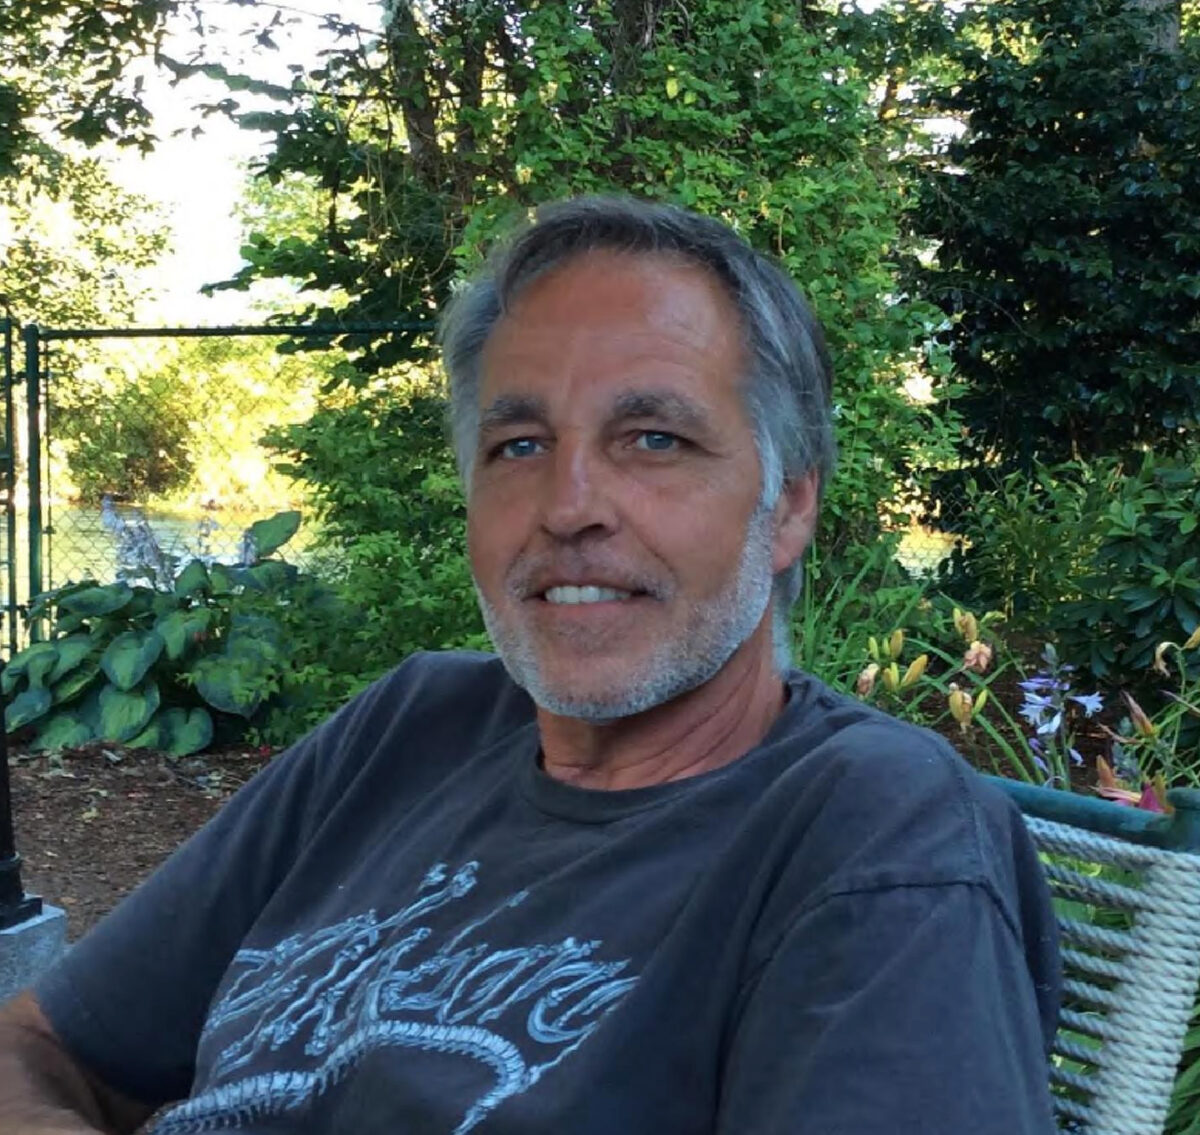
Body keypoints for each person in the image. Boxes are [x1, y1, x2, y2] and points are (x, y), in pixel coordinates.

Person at [0, 196, 1060, 1134]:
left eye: (654, 438)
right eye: (519, 446)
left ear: (786, 506)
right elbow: (38, 1046)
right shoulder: (409, 729)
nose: (568, 506)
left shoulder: (877, 834)